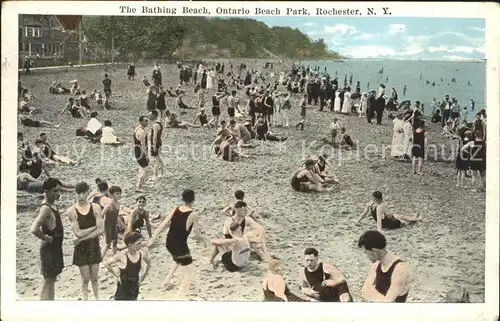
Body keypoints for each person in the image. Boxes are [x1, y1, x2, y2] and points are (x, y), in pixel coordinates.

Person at [147, 189, 208, 298]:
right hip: (180, 245)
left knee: (177, 259)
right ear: (193, 199)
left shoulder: (175, 209)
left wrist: (152, 239)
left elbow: (163, 225)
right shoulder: (193, 214)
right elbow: (196, 235)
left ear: (182, 199)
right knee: (189, 272)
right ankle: (180, 295)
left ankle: (166, 280)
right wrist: (203, 241)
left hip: (169, 243)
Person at [66, 181, 104, 300]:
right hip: (81, 248)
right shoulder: (71, 211)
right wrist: (94, 227)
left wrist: (83, 238)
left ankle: (97, 300)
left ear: (88, 192)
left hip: (93, 245)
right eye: (78, 193)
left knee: (95, 278)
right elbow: (78, 233)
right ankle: (85, 301)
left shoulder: (95, 207)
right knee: (85, 279)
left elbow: (101, 230)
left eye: (83, 193)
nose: (81, 196)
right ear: (75, 194)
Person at [30, 178, 65, 300]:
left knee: (52, 279)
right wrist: (46, 238)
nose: (58, 194)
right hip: (49, 248)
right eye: (55, 191)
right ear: (46, 191)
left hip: (55, 247)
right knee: (48, 281)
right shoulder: (45, 208)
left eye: (59, 191)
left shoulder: (53, 205)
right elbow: (34, 228)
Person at [358, 230, 411, 302]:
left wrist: (372, 292)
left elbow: (388, 302)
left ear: (374, 251)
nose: (367, 256)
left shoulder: (399, 269)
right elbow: (365, 291)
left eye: (366, 253)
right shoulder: (376, 264)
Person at [104, 231, 150, 300]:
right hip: (122, 290)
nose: (140, 245)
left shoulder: (141, 254)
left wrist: (143, 276)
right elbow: (107, 264)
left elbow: (149, 263)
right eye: (138, 243)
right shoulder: (122, 255)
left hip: (134, 288)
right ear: (130, 244)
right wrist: (116, 275)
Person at [101, 185, 122, 258]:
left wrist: (119, 224)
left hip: (114, 225)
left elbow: (116, 216)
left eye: (119, 193)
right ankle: (100, 259)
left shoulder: (118, 204)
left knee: (115, 242)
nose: (119, 195)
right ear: (111, 195)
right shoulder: (109, 205)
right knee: (107, 244)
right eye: (117, 193)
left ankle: (115, 257)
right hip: (107, 226)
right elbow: (101, 215)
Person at [133, 116, 150, 191]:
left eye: (147, 121)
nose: (147, 122)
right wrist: (146, 155)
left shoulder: (137, 129)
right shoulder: (141, 131)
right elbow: (143, 145)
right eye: (145, 121)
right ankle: (138, 186)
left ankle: (140, 183)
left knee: (142, 168)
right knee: (145, 168)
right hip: (140, 151)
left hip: (137, 149)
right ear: (140, 121)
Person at [148, 110, 165, 180]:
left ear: (154, 115)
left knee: (155, 160)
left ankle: (155, 175)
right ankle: (162, 173)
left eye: (150, 115)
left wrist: (154, 145)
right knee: (159, 159)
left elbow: (155, 136)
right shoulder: (159, 123)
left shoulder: (155, 125)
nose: (149, 117)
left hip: (156, 143)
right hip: (159, 143)